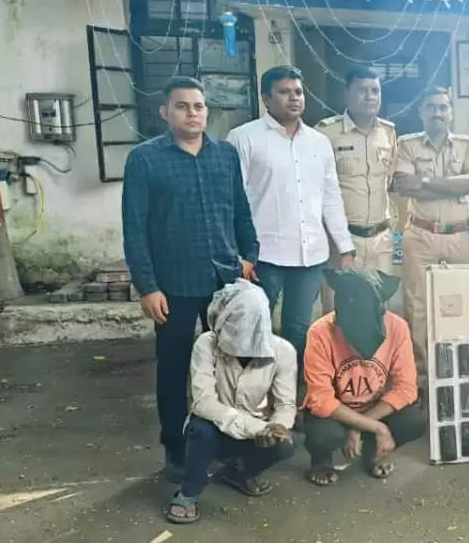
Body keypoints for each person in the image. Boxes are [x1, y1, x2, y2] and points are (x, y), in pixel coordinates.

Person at [122, 76, 259, 482]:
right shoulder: (145, 159)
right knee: (175, 369)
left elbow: (240, 210)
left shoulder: (225, 155)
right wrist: (147, 286)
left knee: (232, 367)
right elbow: (135, 227)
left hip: (224, 280)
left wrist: (250, 256)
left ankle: (231, 446)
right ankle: (177, 451)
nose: (192, 113)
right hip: (173, 285)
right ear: (166, 112)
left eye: (198, 106)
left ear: (207, 111)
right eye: (182, 106)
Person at [227, 66, 355, 378]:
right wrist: (239, 253)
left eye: (298, 92)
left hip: (310, 254)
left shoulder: (319, 142)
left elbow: (330, 197)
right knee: (256, 329)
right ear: (266, 99)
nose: (294, 98)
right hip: (262, 255)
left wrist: (345, 247)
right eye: (285, 92)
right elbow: (231, 200)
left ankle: (289, 398)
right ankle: (253, 397)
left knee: (299, 331)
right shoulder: (243, 138)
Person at [165, 280, 297, 524]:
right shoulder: (206, 344)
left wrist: (278, 428)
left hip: (255, 433)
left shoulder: (284, 351)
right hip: (214, 429)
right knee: (200, 429)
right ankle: (188, 493)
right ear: (222, 320)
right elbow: (203, 403)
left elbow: (285, 405)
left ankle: (239, 473)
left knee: (285, 445)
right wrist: (258, 427)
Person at [392, 87, 469, 379]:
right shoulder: (407, 145)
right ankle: (422, 374)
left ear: (451, 112)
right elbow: (404, 185)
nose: (438, 113)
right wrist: (452, 184)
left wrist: (427, 182)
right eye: (431, 107)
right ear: (421, 112)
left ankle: (458, 370)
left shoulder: (468, 145)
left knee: (460, 303)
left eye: (443, 107)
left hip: (459, 236)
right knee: (418, 307)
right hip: (420, 236)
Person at [303, 269, 426, 485]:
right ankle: (321, 460)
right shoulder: (320, 331)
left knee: (414, 421)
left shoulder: (397, 327)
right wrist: (378, 427)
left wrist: (359, 426)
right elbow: (320, 399)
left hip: (374, 407)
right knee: (323, 434)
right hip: (335, 413)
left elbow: (406, 389)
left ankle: (372, 451)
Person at [316, 66, 400, 313]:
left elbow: (391, 181)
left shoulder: (389, 132)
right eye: (362, 90)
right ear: (346, 94)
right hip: (343, 240)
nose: (370, 96)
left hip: (381, 239)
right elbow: (317, 190)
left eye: (375, 90)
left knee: (378, 311)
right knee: (337, 311)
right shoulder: (326, 132)